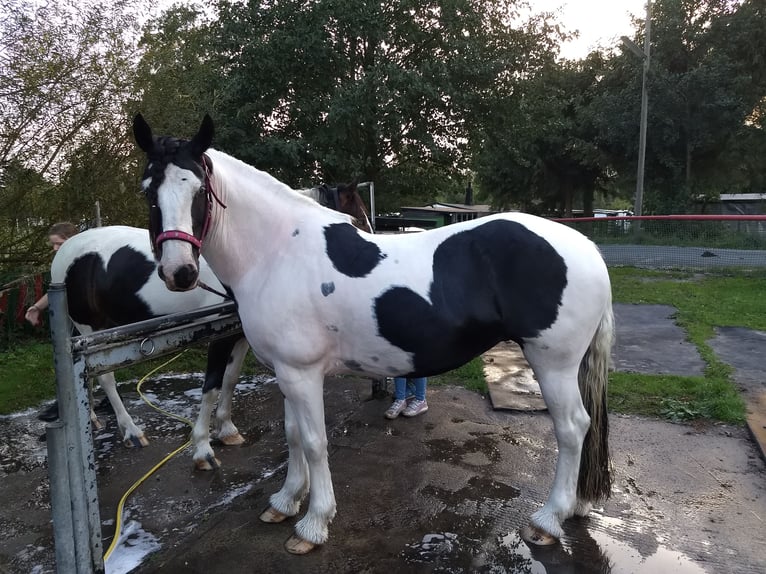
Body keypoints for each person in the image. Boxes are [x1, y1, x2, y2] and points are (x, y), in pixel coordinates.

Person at [25, 222, 79, 422]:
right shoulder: (64, 260)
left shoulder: (78, 259)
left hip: (87, 317)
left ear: (72, 240)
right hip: (75, 318)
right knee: (79, 361)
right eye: (53, 245)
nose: (55, 249)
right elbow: (57, 289)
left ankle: (64, 409)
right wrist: (37, 307)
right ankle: (74, 406)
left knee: (73, 360)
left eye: (59, 243)